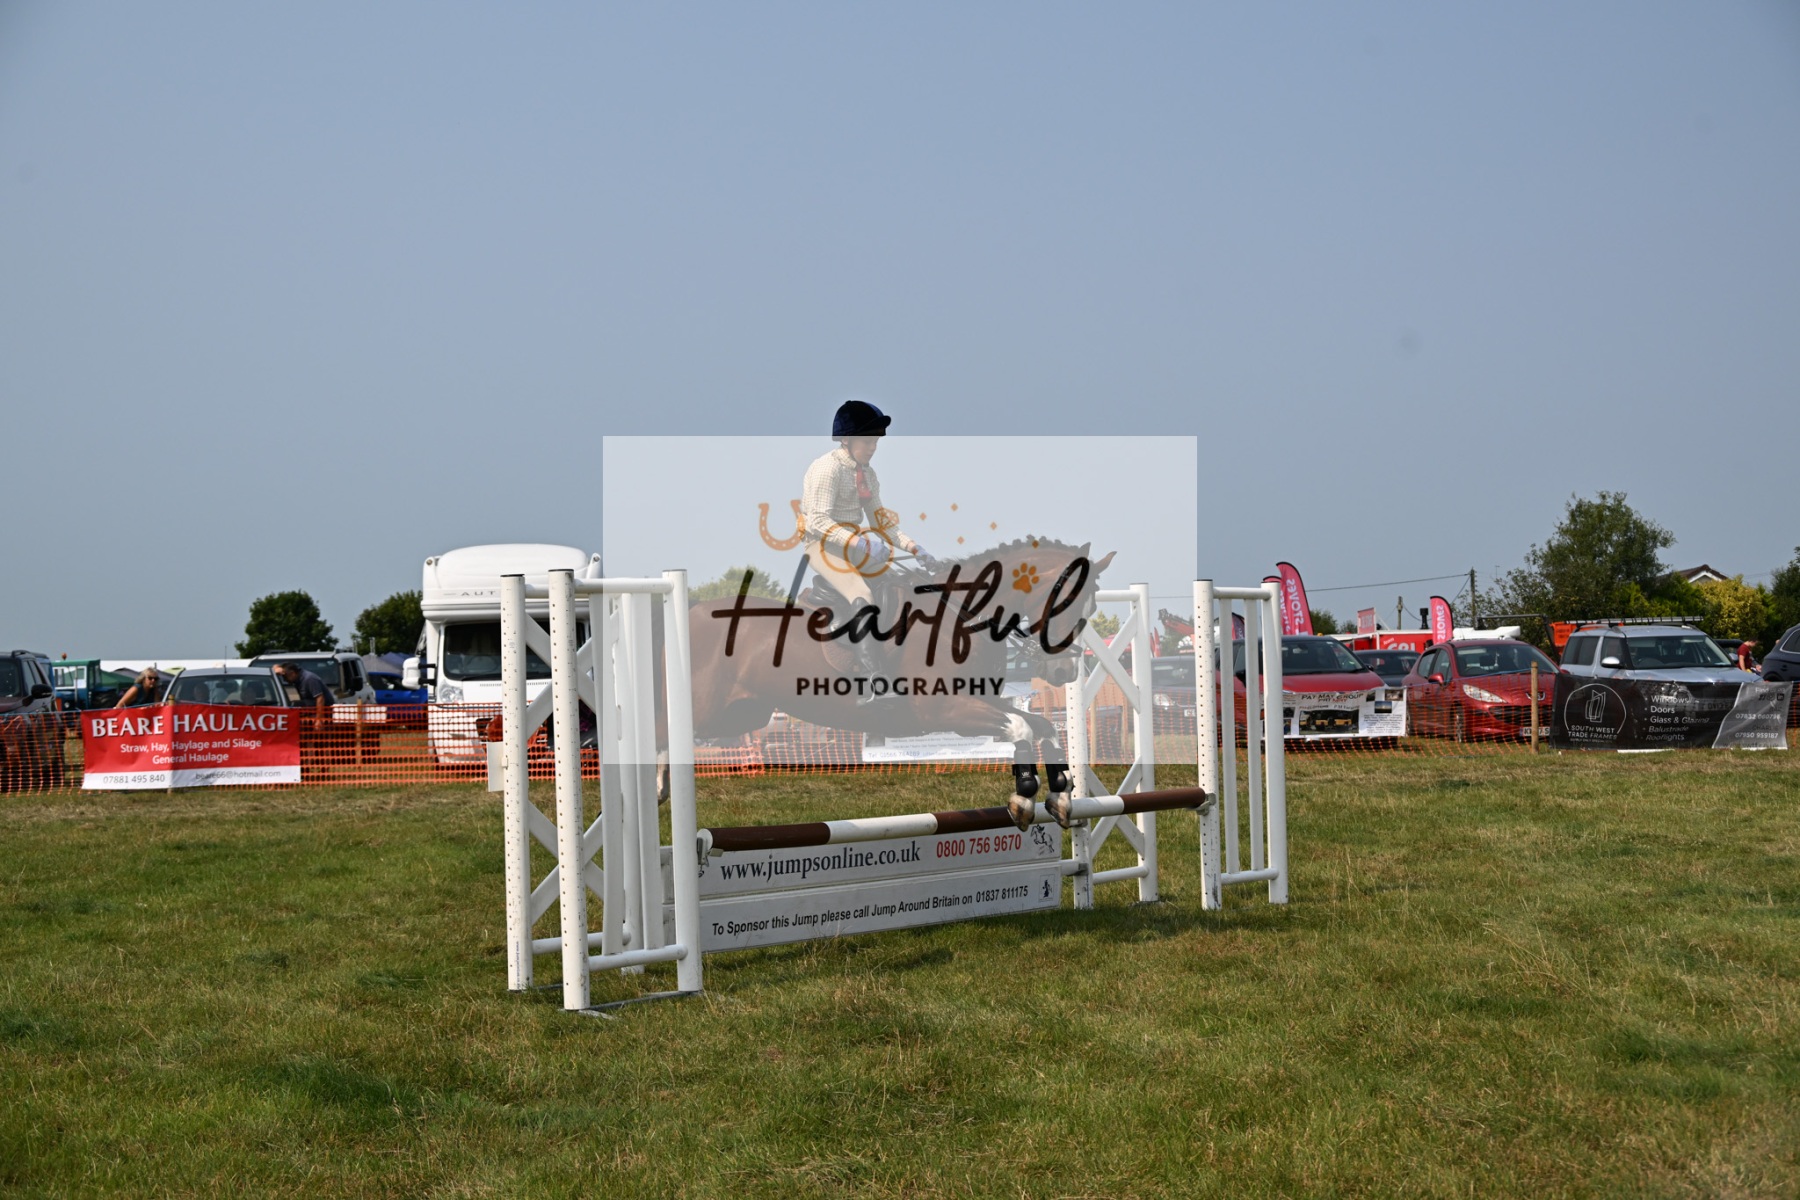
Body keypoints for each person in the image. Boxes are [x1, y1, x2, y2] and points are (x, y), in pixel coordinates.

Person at [800, 400, 929, 691]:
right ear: (846, 440)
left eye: (875, 442)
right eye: (867, 441)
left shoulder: (867, 474)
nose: (873, 448)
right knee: (862, 593)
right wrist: (861, 543)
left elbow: (882, 522)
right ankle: (872, 679)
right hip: (822, 547)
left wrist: (914, 547)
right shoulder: (827, 469)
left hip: (854, 547)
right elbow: (817, 521)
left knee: (901, 586)